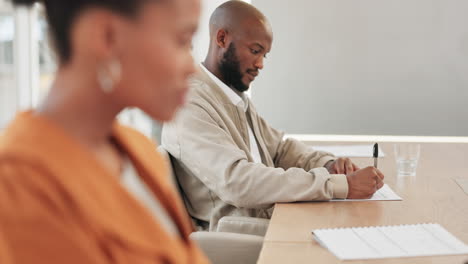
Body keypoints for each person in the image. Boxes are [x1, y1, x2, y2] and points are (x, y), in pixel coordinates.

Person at [0, 0, 209, 263]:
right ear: (107, 36)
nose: (193, 68)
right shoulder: (22, 186)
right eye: (182, 41)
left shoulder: (139, 150)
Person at [161, 0, 385, 232]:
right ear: (222, 39)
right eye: (255, 51)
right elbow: (238, 182)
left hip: (275, 217)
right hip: (244, 233)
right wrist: (338, 185)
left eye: (264, 55)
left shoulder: (233, 96)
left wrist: (328, 165)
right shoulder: (189, 104)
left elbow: (279, 150)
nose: (260, 64)